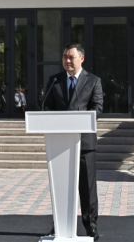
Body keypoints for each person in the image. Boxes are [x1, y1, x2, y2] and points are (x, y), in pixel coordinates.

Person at [42, 43, 104, 240]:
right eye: (65, 57)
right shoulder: (54, 81)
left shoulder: (93, 81)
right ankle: (59, 225)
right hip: (60, 144)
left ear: (81, 59)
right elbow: (46, 107)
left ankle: (90, 224)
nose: (67, 61)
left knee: (87, 187)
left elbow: (98, 108)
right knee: (61, 186)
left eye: (71, 57)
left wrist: (78, 118)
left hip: (84, 143)